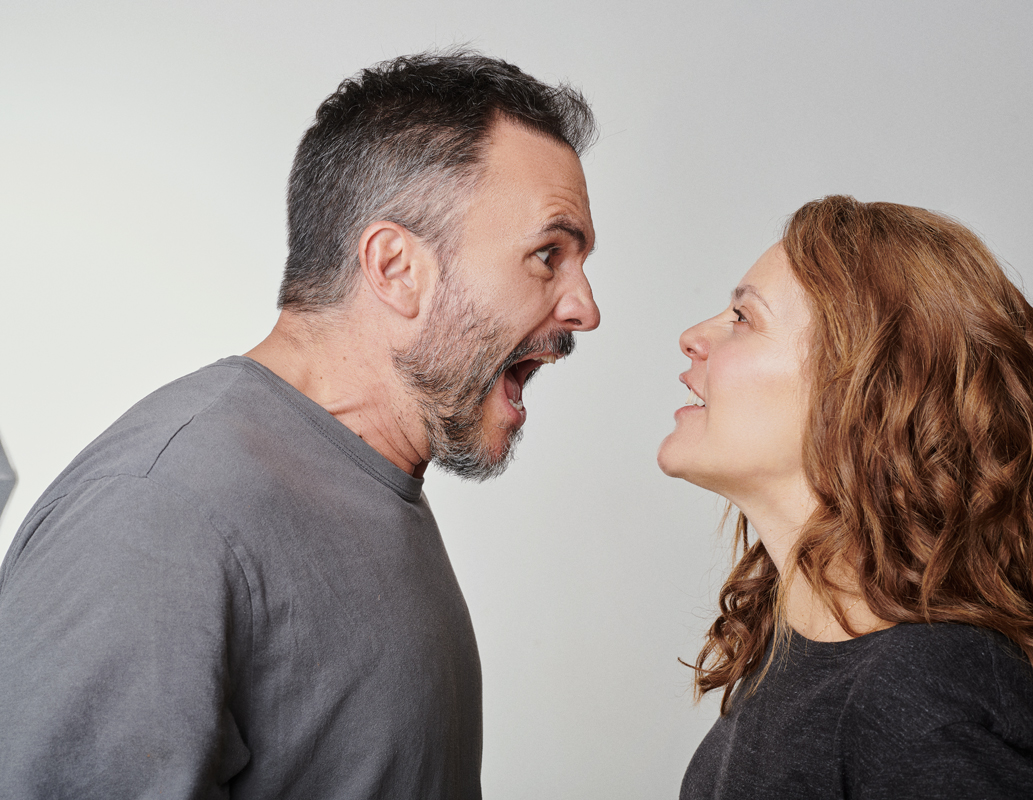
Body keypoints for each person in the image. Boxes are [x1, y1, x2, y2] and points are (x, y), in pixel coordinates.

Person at [0, 51, 599, 798]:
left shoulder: (374, 479)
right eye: (548, 254)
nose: (585, 309)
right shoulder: (158, 512)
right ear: (395, 268)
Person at [658, 196, 1033, 799]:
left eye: (743, 318)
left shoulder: (921, 694)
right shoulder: (797, 659)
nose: (693, 337)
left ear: (865, 392)